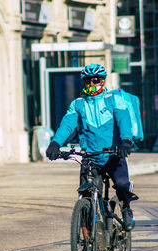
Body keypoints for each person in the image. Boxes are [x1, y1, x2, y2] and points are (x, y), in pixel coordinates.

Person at [46, 63, 139, 231]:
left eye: (95, 80)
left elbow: (124, 120)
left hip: (113, 154)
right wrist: (55, 143)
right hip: (90, 157)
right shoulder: (78, 104)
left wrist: (126, 140)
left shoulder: (113, 100)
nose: (91, 84)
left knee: (122, 184)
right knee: (85, 194)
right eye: (87, 81)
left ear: (102, 81)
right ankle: (87, 241)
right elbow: (67, 125)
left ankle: (126, 208)